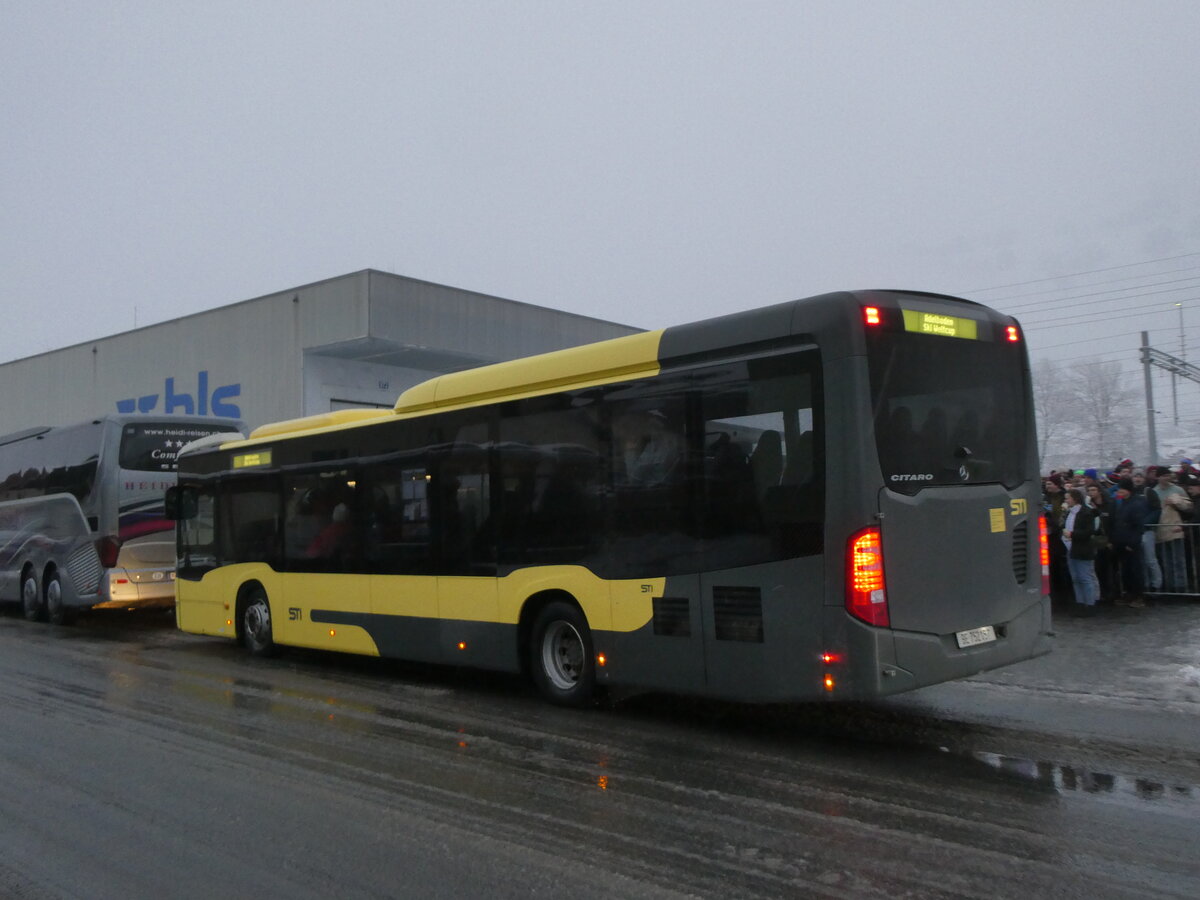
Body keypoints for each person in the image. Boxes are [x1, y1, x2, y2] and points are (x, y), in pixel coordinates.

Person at [1152, 466, 1193, 593]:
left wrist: (1177, 502)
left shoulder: (1177, 489)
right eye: (1163, 476)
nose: (1166, 478)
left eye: (1168, 475)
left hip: (1175, 528)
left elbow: (1188, 507)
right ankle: (1170, 586)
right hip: (1161, 530)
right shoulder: (1154, 491)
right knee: (1166, 560)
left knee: (1178, 559)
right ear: (1158, 477)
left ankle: (1180, 586)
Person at [1111, 478, 1149, 607]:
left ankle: (1139, 596)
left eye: (1121, 489)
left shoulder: (1136, 503)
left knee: (1135, 570)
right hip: (1122, 541)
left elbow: (1138, 526)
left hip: (1131, 542)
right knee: (1126, 570)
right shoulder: (1124, 503)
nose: (1119, 492)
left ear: (1127, 490)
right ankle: (1129, 594)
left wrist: (1132, 543)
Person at [1061, 489, 1101, 614]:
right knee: (1076, 578)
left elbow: (1089, 531)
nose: (1066, 500)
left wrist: (1072, 534)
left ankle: (1090, 603)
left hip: (1082, 549)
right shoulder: (1069, 512)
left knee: (1085, 577)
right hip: (1070, 548)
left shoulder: (1086, 512)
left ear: (1075, 499)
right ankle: (1080, 602)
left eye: (1068, 498)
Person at [1085, 482, 1116, 602]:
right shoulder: (1088, 506)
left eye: (1093, 490)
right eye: (1089, 490)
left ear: (1099, 491)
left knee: (1109, 568)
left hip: (1107, 539)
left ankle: (1111, 592)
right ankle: (1101, 592)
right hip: (1095, 541)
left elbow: (1113, 522)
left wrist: (1112, 540)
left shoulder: (1109, 504)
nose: (1091, 493)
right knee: (1098, 568)